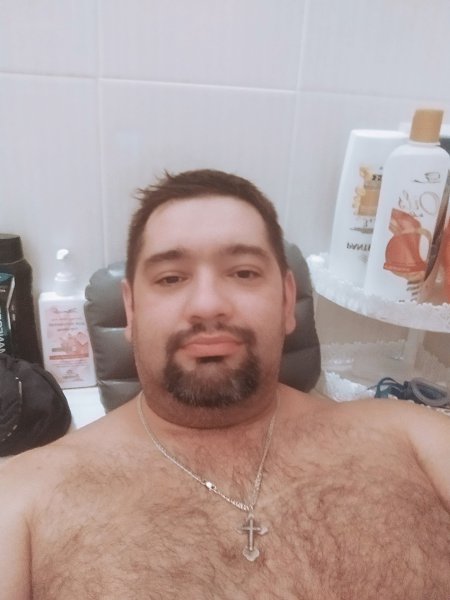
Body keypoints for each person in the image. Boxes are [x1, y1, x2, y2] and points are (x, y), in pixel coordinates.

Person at [1, 169, 449, 600]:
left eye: (244, 272)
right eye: (171, 278)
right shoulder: (23, 501)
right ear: (131, 311)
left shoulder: (413, 437)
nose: (208, 304)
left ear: (287, 300)